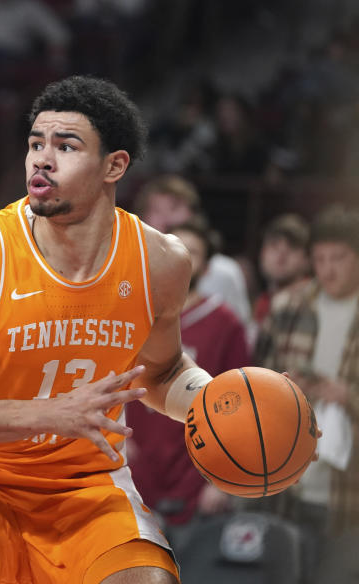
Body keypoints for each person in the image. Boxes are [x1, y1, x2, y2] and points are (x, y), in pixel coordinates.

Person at [0, 76, 233, 584]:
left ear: (115, 165)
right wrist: (49, 413)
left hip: (89, 487)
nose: (41, 159)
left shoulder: (161, 261)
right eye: (35, 144)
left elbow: (159, 372)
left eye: (65, 146)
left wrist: (220, 401)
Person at [124, 215, 249, 549]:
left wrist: (221, 483)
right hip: (136, 467)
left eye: (192, 252)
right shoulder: (131, 313)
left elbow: (242, 402)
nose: (180, 258)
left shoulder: (225, 323)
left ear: (206, 269)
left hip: (194, 471)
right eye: (173, 249)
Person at [255, 205, 359, 580]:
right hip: (290, 480)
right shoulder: (289, 308)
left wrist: (349, 396)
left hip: (348, 489)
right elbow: (256, 386)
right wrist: (283, 387)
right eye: (320, 259)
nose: (328, 269)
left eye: (339, 258)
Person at [133, 174, 253, 329]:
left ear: (193, 215)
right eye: (156, 210)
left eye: (174, 208)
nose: (166, 218)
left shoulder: (224, 272)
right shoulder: (126, 266)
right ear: (141, 217)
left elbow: (241, 333)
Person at [253, 212, 311, 326]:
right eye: (274, 246)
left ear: (308, 260)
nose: (281, 256)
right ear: (262, 253)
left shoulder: (313, 304)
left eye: (292, 247)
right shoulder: (262, 302)